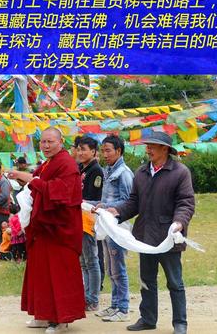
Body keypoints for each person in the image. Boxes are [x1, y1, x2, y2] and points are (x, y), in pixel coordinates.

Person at [102, 132, 194, 334]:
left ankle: (180, 323)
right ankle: (148, 319)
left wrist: (179, 222)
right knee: (146, 281)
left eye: (152, 146)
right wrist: (117, 212)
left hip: (169, 238)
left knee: (175, 283)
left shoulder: (180, 172)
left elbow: (186, 203)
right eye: (147, 145)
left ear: (165, 149)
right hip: (145, 237)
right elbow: (133, 202)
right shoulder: (142, 172)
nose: (148, 149)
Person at [8, 127, 85, 333]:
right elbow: (37, 182)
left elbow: (60, 192)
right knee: (40, 273)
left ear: (61, 142)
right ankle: (42, 315)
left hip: (59, 229)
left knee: (59, 275)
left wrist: (33, 181)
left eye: (50, 142)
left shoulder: (67, 163)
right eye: (43, 142)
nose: (46, 146)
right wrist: (23, 178)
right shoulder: (48, 163)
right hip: (43, 228)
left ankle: (61, 320)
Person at [94, 134, 134, 322]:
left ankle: (123, 308)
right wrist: (101, 206)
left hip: (118, 226)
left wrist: (112, 208)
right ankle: (114, 305)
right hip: (107, 225)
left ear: (118, 151)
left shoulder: (124, 173)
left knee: (118, 267)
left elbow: (129, 201)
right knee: (110, 268)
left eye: (108, 150)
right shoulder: (108, 171)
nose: (105, 154)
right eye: (103, 151)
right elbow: (107, 198)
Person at [76, 136, 103, 313]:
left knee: (91, 260)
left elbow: (95, 198)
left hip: (88, 219)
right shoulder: (80, 168)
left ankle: (93, 299)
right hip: (78, 218)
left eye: (83, 149)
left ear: (93, 151)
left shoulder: (96, 171)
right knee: (83, 261)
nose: (80, 152)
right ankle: (86, 296)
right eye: (78, 149)